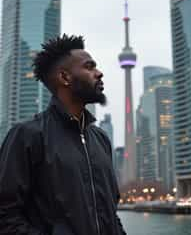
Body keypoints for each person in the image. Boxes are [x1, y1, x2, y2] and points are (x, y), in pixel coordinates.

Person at [0, 34, 127, 235]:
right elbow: (6, 216)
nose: (99, 73)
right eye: (89, 67)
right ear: (65, 77)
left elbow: (111, 213)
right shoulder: (27, 135)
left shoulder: (101, 139)